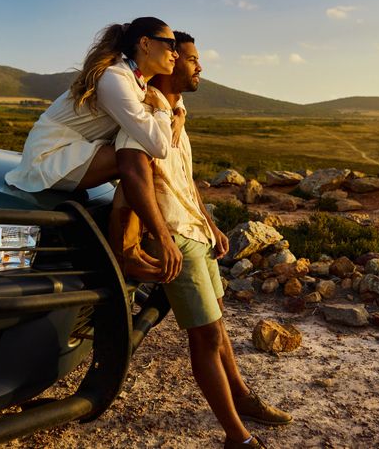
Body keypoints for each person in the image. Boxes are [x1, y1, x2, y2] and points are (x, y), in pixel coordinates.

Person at [114, 32, 292, 448]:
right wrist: (163, 237)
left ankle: (243, 398)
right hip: (174, 234)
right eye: (190, 58)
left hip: (194, 230)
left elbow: (183, 177)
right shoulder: (142, 115)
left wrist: (209, 224)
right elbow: (134, 176)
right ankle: (237, 437)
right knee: (205, 336)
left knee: (218, 327)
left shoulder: (176, 111)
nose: (198, 66)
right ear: (169, 61)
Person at [5, 17, 183, 278]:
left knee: (135, 143)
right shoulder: (115, 78)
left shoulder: (136, 78)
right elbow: (159, 146)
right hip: (50, 157)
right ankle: (127, 251)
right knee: (137, 147)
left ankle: (131, 246)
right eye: (170, 44)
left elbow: (169, 101)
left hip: (78, 150)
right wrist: (163, 108)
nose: (175, 54)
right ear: (145, 43)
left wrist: (178, 110)